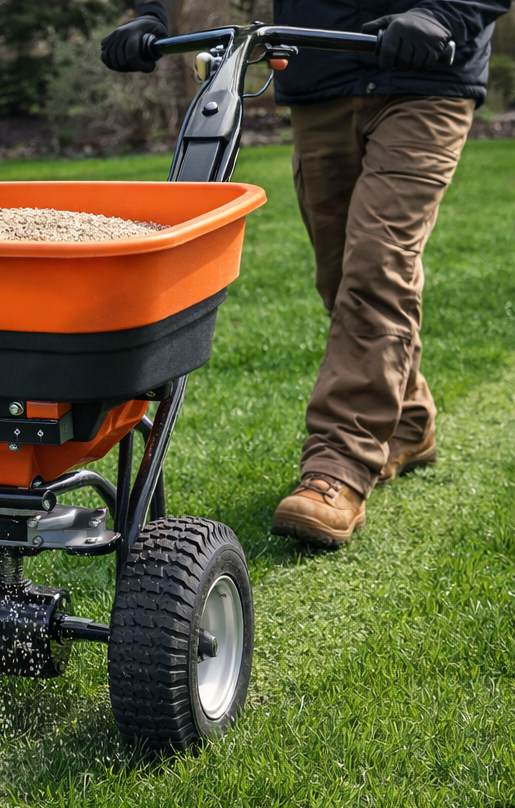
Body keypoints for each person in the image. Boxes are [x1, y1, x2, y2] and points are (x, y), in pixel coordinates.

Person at [102, 1, 511, 548]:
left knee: (376, 268)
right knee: (339, 276)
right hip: (323, 75)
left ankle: (338, 464)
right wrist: (149, 13)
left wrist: (444, 12)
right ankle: (410, 419)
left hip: (424, 76)